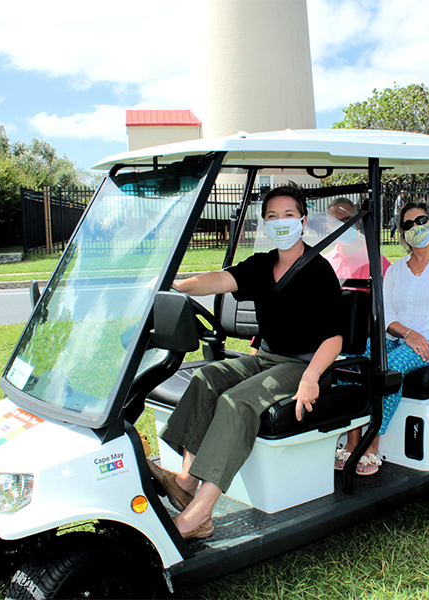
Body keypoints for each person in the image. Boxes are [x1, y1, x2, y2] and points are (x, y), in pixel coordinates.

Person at [148, 182, 344, 540]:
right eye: (272, 216)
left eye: (288, 215)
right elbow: (220, 279)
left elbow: (334, 338)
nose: (281, 222)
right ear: (264, 224)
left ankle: (201, 516)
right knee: (206, 379)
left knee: (236, 402)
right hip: (267, 357)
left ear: (302, 220)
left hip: (304, 366)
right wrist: (176, 287)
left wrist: (311, 376)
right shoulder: (262, 264)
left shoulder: (319, 272)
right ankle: (187, 481)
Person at [334, 202, 429, 476]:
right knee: (351, 358)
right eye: (407, 224)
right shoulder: (396, 270)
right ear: (402, 233)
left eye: (420, 220)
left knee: (389, 368)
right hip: (400, 337)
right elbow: (385, 316)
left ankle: (373, 444)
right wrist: (407, 334)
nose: (415, 227)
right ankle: (352, 440)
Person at [324, 197, 391, 279]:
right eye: (336, 221)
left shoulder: (378, 262)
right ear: (329, 227)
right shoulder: (325, 263)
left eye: (347, 219)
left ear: (358, 222)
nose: (342, 225)